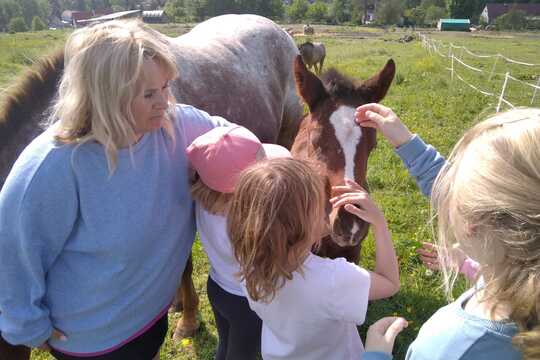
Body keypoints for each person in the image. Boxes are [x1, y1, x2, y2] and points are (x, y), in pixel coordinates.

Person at [0, 20, 230, 359]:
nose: (165, 102)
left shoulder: (174, 125)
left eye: (166, 87)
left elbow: (230, 134)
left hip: (151, 318)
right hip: (93, 341)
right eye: (149, 94)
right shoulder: (55, 164)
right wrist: (28, 327)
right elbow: (13, 254)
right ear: (105, 97)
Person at [355, 103, 540, 360]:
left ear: (472, 225)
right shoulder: (518, 269)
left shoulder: (451, 348)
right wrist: (406, 142)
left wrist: (376, 356)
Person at [227, 157, 400, 360]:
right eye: (322, 208)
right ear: (304, 226)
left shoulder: (249, 264)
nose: (328, 212)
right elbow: (390, 283)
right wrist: (379, 223)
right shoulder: (334, 279)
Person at [185, 125, 291, 360]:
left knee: (226, 342)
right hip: (248, 303)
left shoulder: (202, 201)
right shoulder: (250, 222)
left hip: (217, 287)